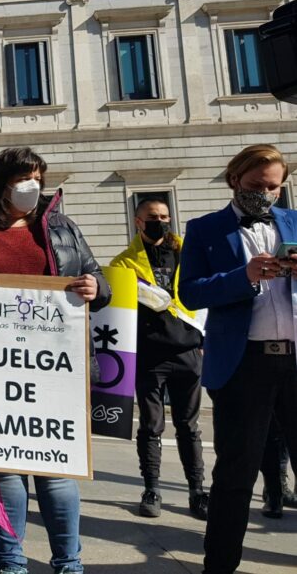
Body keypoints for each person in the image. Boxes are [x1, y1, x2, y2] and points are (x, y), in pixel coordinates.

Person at [0, 146, 110, 574]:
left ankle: (69, 562)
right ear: (2, 183)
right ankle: (11, 559)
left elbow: (100, 284)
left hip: (54, 370)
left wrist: (93, 287)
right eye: (24, 179)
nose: (34, 187)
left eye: (39, 179)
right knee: (5, 468)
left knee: (56, 470)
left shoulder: (63, 228)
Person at [178, 144, 297, 574]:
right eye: (256, 186)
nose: (265, 195)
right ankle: (220, 566)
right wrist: (242, 277)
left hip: (295, 361)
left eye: (274, 187)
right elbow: (189, 292)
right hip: (244, 364)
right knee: (235, 474)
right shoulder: (204, 228)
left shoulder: (295, 222)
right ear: (235, 180)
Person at [110, 198, 207, 520]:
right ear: (138, 221)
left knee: (189, 427)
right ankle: (151, 488)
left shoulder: (188, 254)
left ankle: (197, 490)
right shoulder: (124, 263)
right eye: (153, 217)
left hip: (188, 351)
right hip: (150, 355)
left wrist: (205, 340)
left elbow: (203, 298)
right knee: (151, 427)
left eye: (165, 216)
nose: (160, 222)